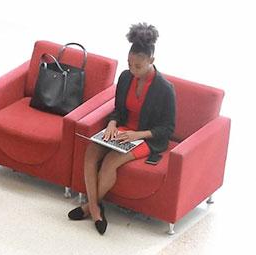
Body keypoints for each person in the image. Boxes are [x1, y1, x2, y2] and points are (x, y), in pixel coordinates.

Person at [69, 23, 176, 235]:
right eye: (129, 63)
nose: (132, 69)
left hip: (146, 138)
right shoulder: (126, 77)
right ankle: (95, 208)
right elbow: (118, 110)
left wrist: (138, 134)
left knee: (110, 162)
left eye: (137, 66)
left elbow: (167, 128)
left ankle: (91, 208)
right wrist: (111, 124)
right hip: (122, 131)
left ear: (151, 61)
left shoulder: (164, 89)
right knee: (91, 151)